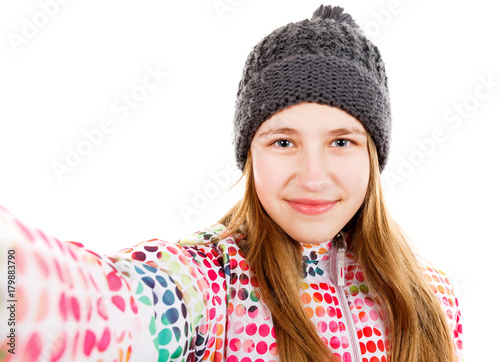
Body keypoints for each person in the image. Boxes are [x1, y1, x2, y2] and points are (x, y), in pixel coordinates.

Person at [0, 4, 463, 362]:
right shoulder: (216, 286)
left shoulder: (433, 300)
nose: (313, 176)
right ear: (249, 154)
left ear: (373, 154)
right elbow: (110, 306)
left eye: (341, 142)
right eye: (283, 142)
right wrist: (17, 283)